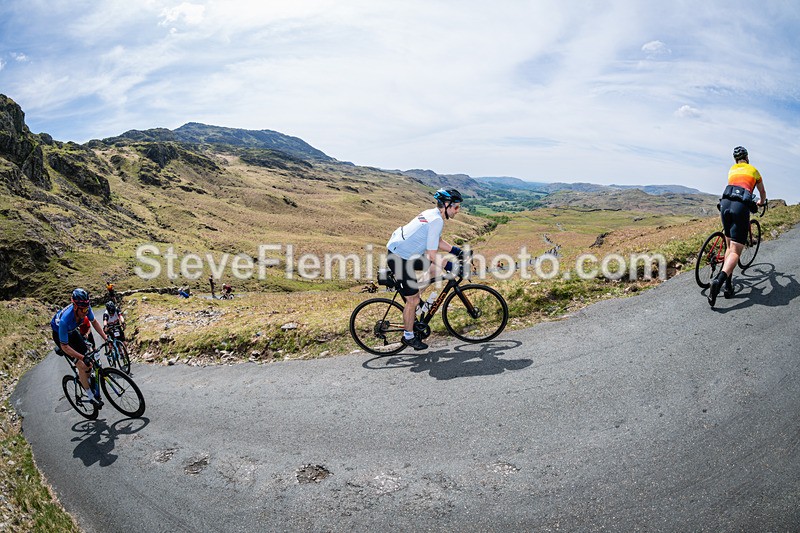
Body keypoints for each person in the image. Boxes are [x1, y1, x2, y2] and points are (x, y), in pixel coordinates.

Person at [386, 188, 465, 350]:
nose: (458, 211)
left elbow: (437, 240)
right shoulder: (436, 220)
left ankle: (418, 300)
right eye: (456, 207)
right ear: (446, 205)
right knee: (412, 300)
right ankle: (409, 336)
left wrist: (456, 251)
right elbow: (431, 255)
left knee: (435, 270)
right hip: (399, 258)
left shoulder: (433, 214)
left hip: (405, 253)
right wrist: (451, 266)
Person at [709, 146, 767, 306]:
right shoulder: (754, 170)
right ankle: (718, 282)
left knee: (729, 247)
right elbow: (762, 192)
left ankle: (728, 286)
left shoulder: (732, 169)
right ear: (747, 157)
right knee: (735, 251)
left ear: (735, 160)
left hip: (725, 203)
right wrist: (761, 202)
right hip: (740, 207)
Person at [51, 289, 108, 404]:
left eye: (88, 308)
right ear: (76, 307)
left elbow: (94, 322)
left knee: (90, 363)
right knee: (82, 365)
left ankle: (84, 378)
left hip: (72, 332)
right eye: (84, 309)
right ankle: (90, 395)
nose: (86, 312)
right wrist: (82, 358)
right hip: (61, 336)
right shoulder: (64, 320)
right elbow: (65, 347)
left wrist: (106, 338)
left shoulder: (85, 308)